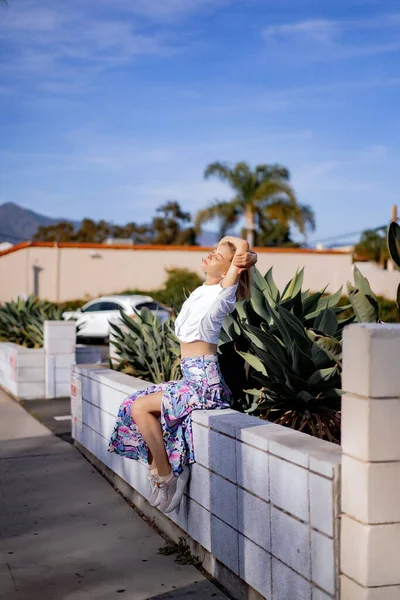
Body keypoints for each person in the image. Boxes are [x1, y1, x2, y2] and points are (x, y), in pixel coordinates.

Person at [108, 236, 257, 513]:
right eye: (213, 251)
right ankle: (159, 471)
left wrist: (243, 251)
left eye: (218, 255)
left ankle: (167, 477)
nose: (211, 255)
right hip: (191, 377)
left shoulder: (222, 295)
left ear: (229, 270)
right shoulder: (202, 291)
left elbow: (243, 248)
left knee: (142, 407)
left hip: (204, 382)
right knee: (130, 404)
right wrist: (233, 250)